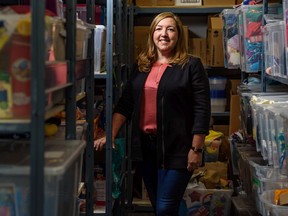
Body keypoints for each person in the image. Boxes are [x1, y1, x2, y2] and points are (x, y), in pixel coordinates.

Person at [94, 12, 211, 215]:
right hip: (146, 148)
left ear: (178, 35)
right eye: (159, 29)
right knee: (160, 205)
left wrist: (196, 149)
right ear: (152, 34)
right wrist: (110, 134)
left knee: (165, 207)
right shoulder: (142, 66)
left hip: (179, 147)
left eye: (170, 29)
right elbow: (125, 105)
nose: (164, 34)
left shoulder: (190, 65)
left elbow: (202, 109)